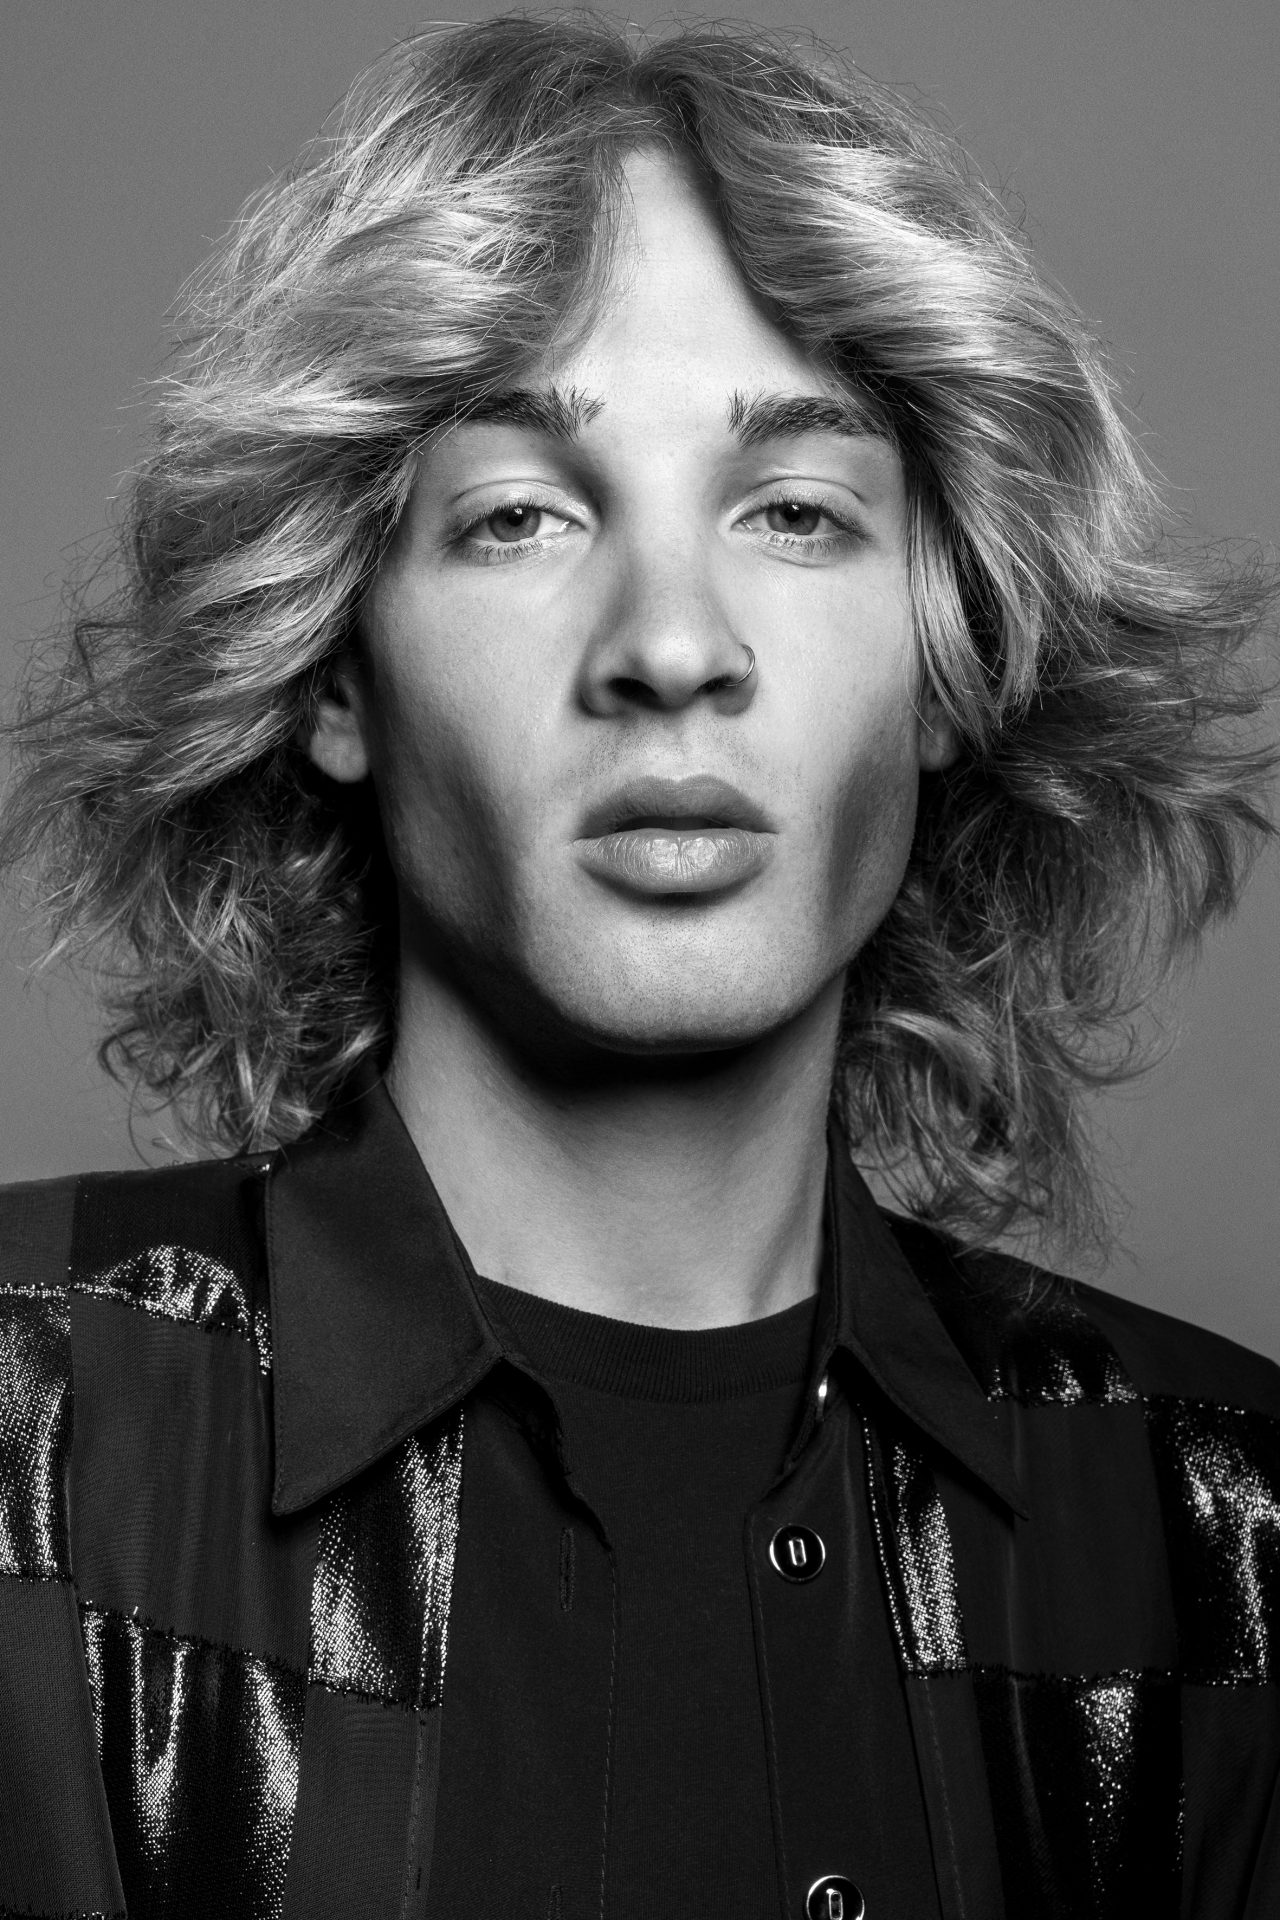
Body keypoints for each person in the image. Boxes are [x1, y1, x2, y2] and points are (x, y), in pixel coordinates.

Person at [0, 13, 1276, 1919]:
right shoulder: (26, 1435)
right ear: (334, 674)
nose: (673, 645)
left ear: (950, 664)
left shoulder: (1226, 1543)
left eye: (796, 515)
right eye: (520, 515)